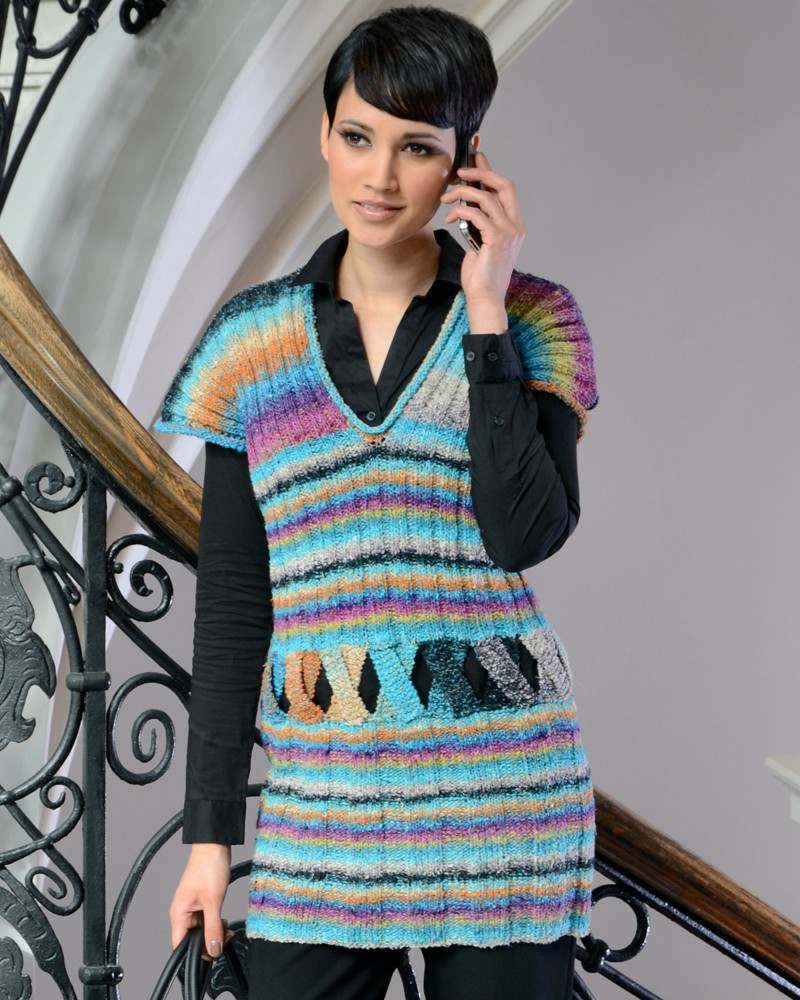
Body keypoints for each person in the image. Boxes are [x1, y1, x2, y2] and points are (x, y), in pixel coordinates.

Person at [158, 6, 599, 998]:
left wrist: (485, 312)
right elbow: (232, 601)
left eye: (417, 148)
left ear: (467, 160)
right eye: (357, 137)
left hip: (504, 799)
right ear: (323, 134)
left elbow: (522, 533)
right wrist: (209, 838)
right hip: (327, 803)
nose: (380, 177)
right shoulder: (249, 346)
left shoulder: (534, 319)